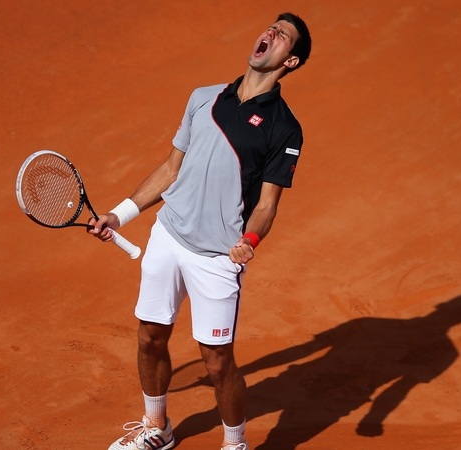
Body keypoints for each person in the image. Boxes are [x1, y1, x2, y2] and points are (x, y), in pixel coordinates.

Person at [88, 12, 312, 450]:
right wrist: (120, 214)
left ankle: (235, 444)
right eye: (271, 27)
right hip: (168, 236)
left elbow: (267, 204)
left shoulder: (285, 127)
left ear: (292, 61)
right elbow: (171, 169)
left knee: (216, 362)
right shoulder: (204, 97)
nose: (270, 34)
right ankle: (157, 428)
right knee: (150, 337)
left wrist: (250, 241)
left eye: (283, 36)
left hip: (217, 257)